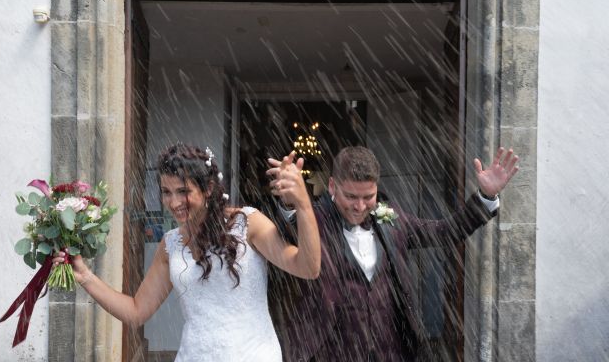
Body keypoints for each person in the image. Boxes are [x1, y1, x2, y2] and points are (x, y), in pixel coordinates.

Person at [53, 143, 320, 362]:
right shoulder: (170, 245)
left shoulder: (247, 223)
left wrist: (303, 203)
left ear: (208, 189)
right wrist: (85, 276)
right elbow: (136, 312)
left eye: (183, 191)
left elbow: (308, 267)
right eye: (166, 192)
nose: (174, 202)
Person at [266, 145, 519, 362]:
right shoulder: (315, 221)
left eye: (368, 196)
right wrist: (292, 202)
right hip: (329, 348)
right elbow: (290, 230)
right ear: (332, 186)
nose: (360, 206)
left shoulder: (391, 220)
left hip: (390, 349)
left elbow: (445, 232)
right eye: (351, 196)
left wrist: (486, 196)